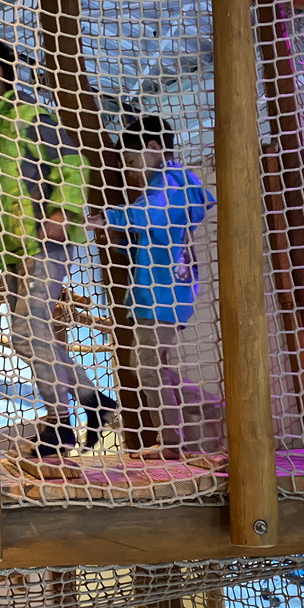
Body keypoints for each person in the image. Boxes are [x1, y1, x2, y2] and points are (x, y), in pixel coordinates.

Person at [0, 35, 117, 456]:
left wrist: (62, 211)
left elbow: (72, 161)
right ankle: (94, 400)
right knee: (26, 338)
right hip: (11, 248)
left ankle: (59, 424)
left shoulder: (30, 116)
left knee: (28, 327)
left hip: (45, 241)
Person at [88, 116, 216, 456]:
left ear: (154, 148)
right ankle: (214, 409)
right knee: (158, 367)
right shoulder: (169, 185)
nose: (129, 171)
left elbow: (152, 215)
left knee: (146, 364)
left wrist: (107, 217)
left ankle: (173, 442)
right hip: (162, 292)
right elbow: (153, 232)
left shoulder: (172, 181)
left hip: (163, 295)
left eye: (130, 161)